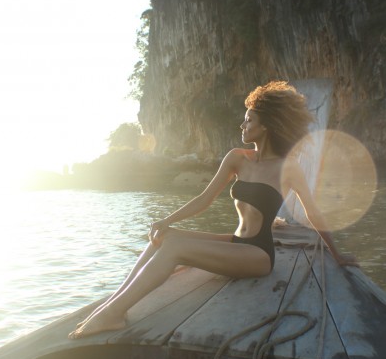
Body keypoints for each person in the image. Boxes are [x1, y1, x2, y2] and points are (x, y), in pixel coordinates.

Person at [69, 81, 358, 339]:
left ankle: (113, 314)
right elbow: (204, 199)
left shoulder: (288, 168)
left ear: (266, 125)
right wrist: (166, 219)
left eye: (248, 120)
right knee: (163, 236)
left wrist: (337, 254)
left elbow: (312, 213)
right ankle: (111, 305)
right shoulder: (237, 158)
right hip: (236, 242)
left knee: (174, 248)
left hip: (258, 255)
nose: (242, 126)